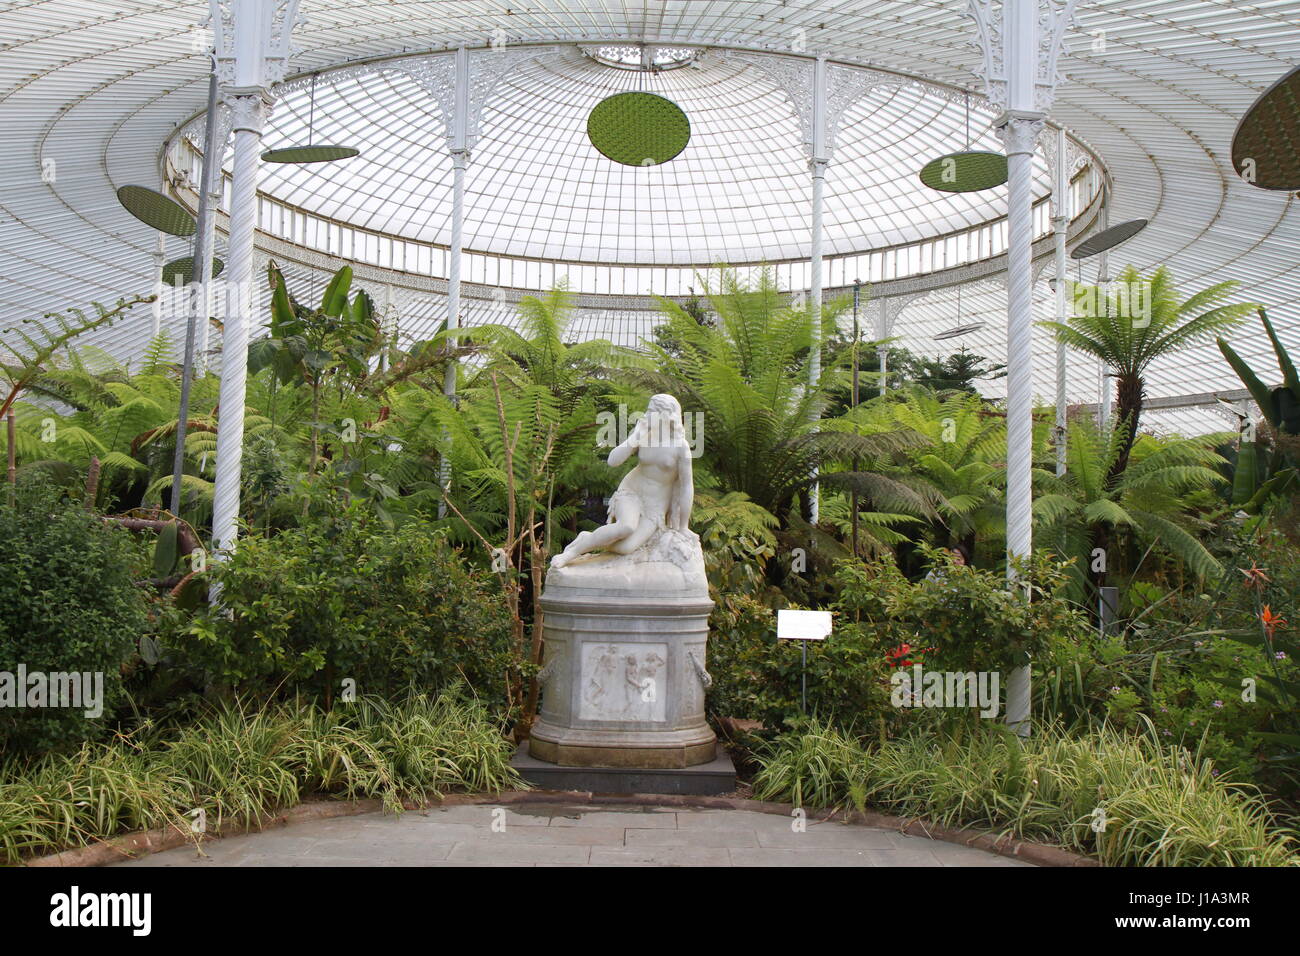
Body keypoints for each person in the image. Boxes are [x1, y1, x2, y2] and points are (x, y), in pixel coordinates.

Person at [550, 393, 694, 569]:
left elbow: (687, 487)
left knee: (626, 547)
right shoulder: (644, 434)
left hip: (655, 506)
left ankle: (588, 540)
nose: (646, 416)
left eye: (651, 412)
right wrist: (636, 435)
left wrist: (683, 526)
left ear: (666, 415)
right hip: (632, 491)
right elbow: (613, 461)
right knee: (626, 527)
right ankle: (572, 552)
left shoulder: (681, 447)